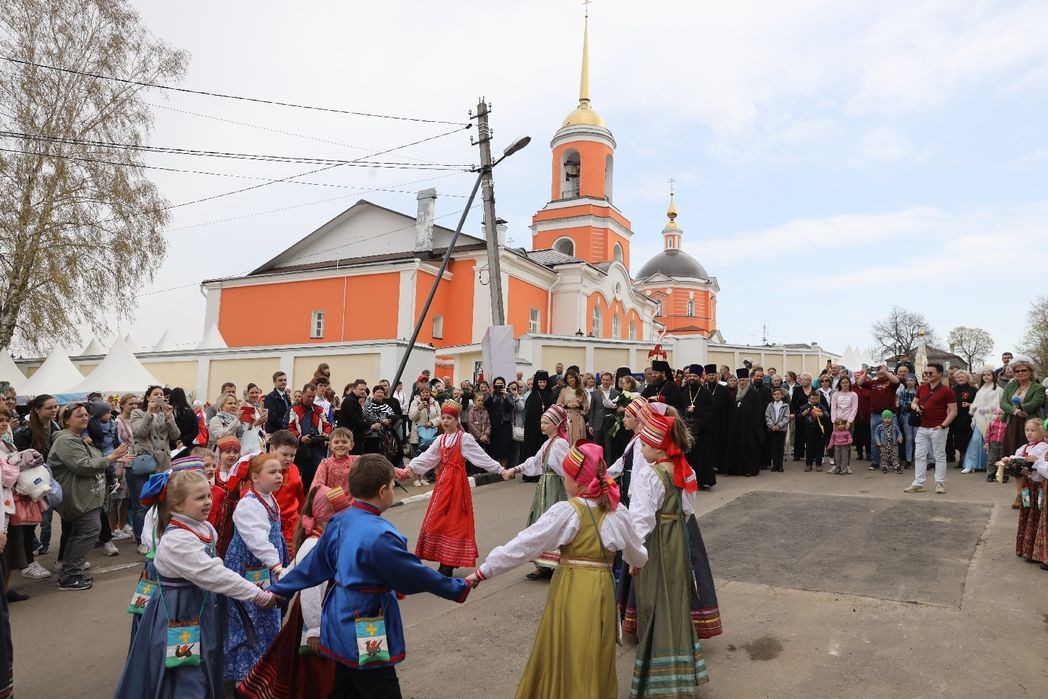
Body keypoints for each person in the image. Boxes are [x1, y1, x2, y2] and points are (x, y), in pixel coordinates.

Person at [268, 455, 472, 699]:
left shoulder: (339, 521)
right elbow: (414, 574)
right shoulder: (380, 533)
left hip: (338, 616)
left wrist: (280, 588)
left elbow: (312, 567)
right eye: (393, 486)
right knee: (380, 687)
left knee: (345, 686)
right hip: (366, 621)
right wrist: (458, 586)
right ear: (383, 491)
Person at [466, 440, 646, 698]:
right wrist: (636, 564)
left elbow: (525, 544)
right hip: (602, 591)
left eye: (566, 476)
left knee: (566, 648)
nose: (564, 480)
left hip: (571, 588)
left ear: (577, 482)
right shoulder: (618, 513)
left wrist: (484, 571)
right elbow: (636, 550)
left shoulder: (568, 512)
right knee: (595, 650)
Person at [114, 466, 278, 698]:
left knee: (204, 658)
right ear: (177, 505)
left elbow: (214, 570)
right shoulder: (177, 540)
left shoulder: (202, 527)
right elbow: (214, 574)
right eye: (200, 498)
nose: (208, 502)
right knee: (185, 672)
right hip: (178, 611)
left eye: (209, 495)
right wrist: (259, 595)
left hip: (198, 606)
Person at [236, 485, 352, 699]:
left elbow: (292, 572)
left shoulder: (327, 539)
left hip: (327, 613)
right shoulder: (315, 544)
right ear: (326, 518)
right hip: (316, 616)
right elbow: (310, 589)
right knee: (316, 674)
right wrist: (314, 630)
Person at [628, 413, 710, 696]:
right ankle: (682, 675)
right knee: (676, 600)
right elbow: (687, 510)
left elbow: (640, 520)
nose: (641, 449)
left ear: (659, 447)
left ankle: (657, 679)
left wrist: (633, 556)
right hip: (678, 540)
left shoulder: (648, 475)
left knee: (653, 601)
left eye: (645, 444)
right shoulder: (686, 470)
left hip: (655, 542)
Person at [407, 401, 508, 576]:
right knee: (437, 520)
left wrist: (500, 470)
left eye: (449, 418)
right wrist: (410, 467)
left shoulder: (464, 438)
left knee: (455, 521)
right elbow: (428, 457)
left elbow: (480, 457)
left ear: (457, 420)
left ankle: (448, 562)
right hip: (442, 484)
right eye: (443, 418)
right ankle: (445, 558)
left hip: (457, 484)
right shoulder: (440, 439)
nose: (445, 422)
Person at [48, 403, 132, 590]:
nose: (85, 418)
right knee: (89, 531)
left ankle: (69, 573)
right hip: (79, 497)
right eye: (79, 416)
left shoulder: (76, 438)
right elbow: (83, 465)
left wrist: (112, 458)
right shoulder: (66, 440)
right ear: (66, 420)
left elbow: (91, 459)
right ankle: (70, 576)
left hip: (86, 496)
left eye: (86, 414)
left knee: (81, 533)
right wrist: (110, 458)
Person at [223, 454, 289, 683]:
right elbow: (257, 541)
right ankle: (245, 678)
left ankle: (264, 672)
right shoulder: (249, 505)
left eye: (280, 472)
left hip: (264, 569)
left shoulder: (268, 499)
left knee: (267, 618)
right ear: (255, 477)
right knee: (248, 621)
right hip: (247, 569)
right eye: (272, 472)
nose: (279, 476)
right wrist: (277, 566)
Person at [502, 405, 571, 579]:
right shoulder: (548, 443)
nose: (542, 426)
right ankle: (542, 564)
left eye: (546, 423)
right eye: (541, 422)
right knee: (541, 522)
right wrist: (516, 469)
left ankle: (552, 564)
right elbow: (534, 461)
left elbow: (568, 468)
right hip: (545, 486)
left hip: (554, 488)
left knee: (551, 523)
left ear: (556, 424)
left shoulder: (560, 444)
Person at [904, 363, 958, 495]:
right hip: (922, 427)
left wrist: (943, 425)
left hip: (938, 428)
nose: (927, 375)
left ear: (940, 374)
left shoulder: (947, 391)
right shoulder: (922, 388)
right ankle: (918, 483)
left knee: (939, 456)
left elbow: (953, 411)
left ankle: (939, 483)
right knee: (919, 456)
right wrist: (916, 408)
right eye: (926, 373)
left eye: (931, 373)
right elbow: (914, 402)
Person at [1003, 419, 1048, 563]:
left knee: (1037, 514)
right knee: (1028, 513)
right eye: (1027, 430)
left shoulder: (1042, 447)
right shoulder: (1024, 447)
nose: (1029, 433)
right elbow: (1019, 459)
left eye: (1033, 430)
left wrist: (1032, 464)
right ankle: (1027, 550)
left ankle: (1036, 552)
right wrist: (1010, 461)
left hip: (1038, 487)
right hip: (1027, 486)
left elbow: (1040, 468)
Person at [289, 383, 332, 491]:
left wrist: (326, 433)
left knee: (315, 477)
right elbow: (290, 427)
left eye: (313, 396)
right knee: (298, 478)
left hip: (317, 447)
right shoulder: (294, 409)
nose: (311, 399)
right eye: (308, 396)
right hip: (300, 448)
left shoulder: (319, 409)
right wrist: (300, 438)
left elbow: (327, 425)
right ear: (303, 394)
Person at [856, 365, 900, 471]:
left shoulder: (891, 383)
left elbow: (897, 381)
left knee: (892, 438)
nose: (880, 372)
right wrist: (865, 372)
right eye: (878, 371)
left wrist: (886, 372)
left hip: (890, 414)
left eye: (881, 370)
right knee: (874, 439)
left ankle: (892, 460)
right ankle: (875, 462)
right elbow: (859, 383)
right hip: (875, 414)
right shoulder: (873, 383)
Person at [724, 368, 766, 477]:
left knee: (749, 448)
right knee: (736, 446)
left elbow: (758, 411)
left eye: (744, 380)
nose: (742, 382)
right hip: (736, 426)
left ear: (748, 381)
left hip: (749, 427)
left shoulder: (754, 393)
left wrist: (755, 426)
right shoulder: (735, 394)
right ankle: (735, 469)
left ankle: (749, 469)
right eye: (740, 380)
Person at [964, 368, 1003, 474]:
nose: (986, 376)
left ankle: (990, 465)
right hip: (980, 418)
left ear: (993, 376)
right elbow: (975, 403)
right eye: (984, 375)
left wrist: (989, 410)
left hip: (992, 419)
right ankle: (971, 464)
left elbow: (998, 404)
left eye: (988, 374)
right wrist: (974, 414)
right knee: (976, 440)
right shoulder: (980, 390)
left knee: (991, 443)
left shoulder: (998, 390)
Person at [521, 371, 556, 466]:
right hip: (533, 429)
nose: (542, 384)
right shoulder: (532, 396)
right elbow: (528, 413)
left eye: (544, 382)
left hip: (547, 428)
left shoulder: (550, 395)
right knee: (533, 449)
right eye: (540, 382)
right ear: (537, 382)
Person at [484, 377, 515, 468]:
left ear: (504, 385)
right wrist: (491, 394)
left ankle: (503, 469)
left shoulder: (508, 395)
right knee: (495, 447)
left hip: (505, 425)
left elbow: (511, 407)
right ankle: (496, 469)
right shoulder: (491, 395)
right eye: (497, 384)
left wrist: (505, 397)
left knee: (505, 449)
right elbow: (486, 404)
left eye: (500, 384)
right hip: (494, 425)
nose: (499, 385)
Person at [588, 371, 619, 460]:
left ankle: (608, 466)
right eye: (603, 380)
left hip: (610, 425)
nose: (605, 382)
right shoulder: (595, 393)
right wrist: (590, 425)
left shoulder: (616, 393)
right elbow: (592, 410)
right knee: (597, 448)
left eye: (607, 380)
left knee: (609, 448)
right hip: (597, 424)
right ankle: (597, 465)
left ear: (611, 381)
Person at [335, 380, 370, 455]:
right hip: (350, 437)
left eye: (364, 389)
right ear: (354, 389)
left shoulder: (354, 400)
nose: (363, 391)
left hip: (352, 436)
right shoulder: (351, 401)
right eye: (361, 389)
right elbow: (356, 421)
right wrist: (371, 425)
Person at [556, 370, 590, 444]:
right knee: (568, 439)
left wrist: (579, 406)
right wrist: (567, 406)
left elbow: (586, 406)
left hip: (578, 418)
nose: (569, 380)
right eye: (568, 378)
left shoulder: (581, 391)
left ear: (575, 378)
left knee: (578, 440)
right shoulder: (564, 391)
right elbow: (558, 405)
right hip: (567, 418)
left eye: (571, 377)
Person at [800, 391, 830, 472]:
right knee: (809, 447)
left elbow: (827, 416)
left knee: (819, 447)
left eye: (816, 398)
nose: (814, 400)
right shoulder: (805, 407)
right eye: (812, 398)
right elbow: (799, 418)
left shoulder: (821, 406)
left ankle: (818, 464)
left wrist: (822, 415)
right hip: (808, 430)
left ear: (819, 399)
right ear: (809, 399)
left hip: (819, 430)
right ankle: (808, 465)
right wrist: (803, 414)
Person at [789, 374, 817, 462]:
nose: (803, 381)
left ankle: (812, 454)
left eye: (805, 379)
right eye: (801, 379)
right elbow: (793, 402)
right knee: (799, 435)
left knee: (811, 435)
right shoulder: (797, 390)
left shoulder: (814, 390)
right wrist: (792, 413)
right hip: (800, 414)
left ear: (810, 381)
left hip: (812, 414)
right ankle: (798, 454)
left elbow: (817, 401)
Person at [764, 387, 790, 472]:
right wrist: (771, 425)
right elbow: (767, 416)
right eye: (774, 394)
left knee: (780, 447)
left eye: (778, 394)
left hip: (781, 429)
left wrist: (779, 425)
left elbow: (786, 418)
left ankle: (780, 465)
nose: (776, 396)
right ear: (772, 396)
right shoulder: (770, 405)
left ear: (782, 395)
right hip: (772, 429)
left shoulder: (785, 406)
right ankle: (775, 465)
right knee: (774, 447)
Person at [238, 384, 268, 455]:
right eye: (252, 393)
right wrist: (257, 423)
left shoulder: (257, 407)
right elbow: (243, 428)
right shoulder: (244, 406)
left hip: (259, 436)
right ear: (246, 394)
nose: (255, 395)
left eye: (256, 392)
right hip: (248, 440)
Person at [896, 377, 918, 468]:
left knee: (917, 438)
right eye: (907, 380)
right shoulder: (902, 392)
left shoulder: (918, 392)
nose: (909, 382)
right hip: (906, 416)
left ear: (915, 381)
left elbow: (920, 403)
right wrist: (912, 406)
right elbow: (901, 404)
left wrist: (911, 406)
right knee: (909, 438)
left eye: (911, 380)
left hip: (917, 416)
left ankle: (917, 458)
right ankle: (908, 459)